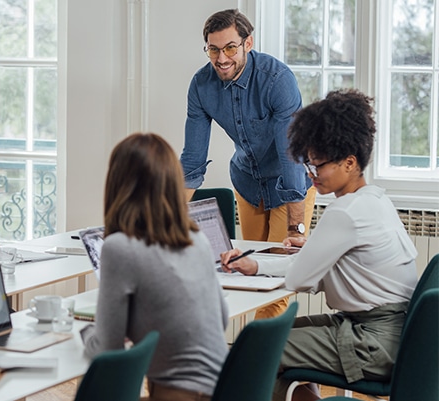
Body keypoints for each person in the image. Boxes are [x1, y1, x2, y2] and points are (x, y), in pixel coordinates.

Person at [219, 89, 418, 401]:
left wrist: (311, 257)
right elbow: (317, 266)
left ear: (350, 163)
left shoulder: (344, 212)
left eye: (319, 166)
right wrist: (257, 264)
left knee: (259, 349)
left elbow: (300, 277)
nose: (311, 175)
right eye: (308, 165)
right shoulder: (375, 199)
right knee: (271, 338)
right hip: (395, 333)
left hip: (374, 340)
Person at [180, 9, 317, 318]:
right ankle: (250, 356)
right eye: (213, 49)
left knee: (278, 281)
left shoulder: (277, 80)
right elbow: (192, 160)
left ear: (248, 43)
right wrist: (166, 220)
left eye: (230, 47)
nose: (221, 58)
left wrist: (296, 229)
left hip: (290, 185)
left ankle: (261, 361)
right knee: (246, 273)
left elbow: (291, 155)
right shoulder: (201, 85)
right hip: (248, 184)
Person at [81, 133, 229, 401]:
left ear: (118, 185)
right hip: (225, 388)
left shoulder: (119, 247)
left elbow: (107, 350)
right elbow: (221, 318)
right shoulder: (195, 238)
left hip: (179, 394)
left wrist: (85, 332)